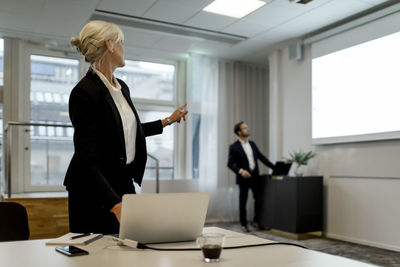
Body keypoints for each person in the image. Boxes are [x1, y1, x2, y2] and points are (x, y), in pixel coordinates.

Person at [64, 20, 188, 234]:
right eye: (121, 42)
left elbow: (128, 131)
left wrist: (167, 120)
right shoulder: (85, 92)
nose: (124, 48)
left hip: (122, 180)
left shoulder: (122, 88)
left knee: (129, 247)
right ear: (109, 45)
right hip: (93, 187)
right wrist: (114, 204)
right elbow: (86, 159)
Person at [227, 122, 275, 232]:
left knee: (259, 200)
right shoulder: (234, 147)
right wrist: (241, 171)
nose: (247, 130)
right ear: (239, 132)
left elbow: (262, 158)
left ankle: (257, 222)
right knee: (243, 201)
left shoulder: (252, 144)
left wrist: (274, 167)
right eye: (244, 128)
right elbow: (230, 164)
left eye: (247, 128)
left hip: (255, 176)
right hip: (243, 178)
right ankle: (244, 224)